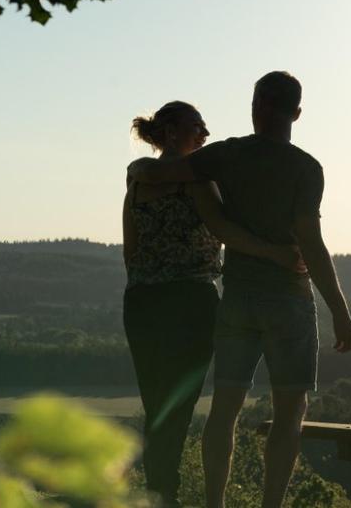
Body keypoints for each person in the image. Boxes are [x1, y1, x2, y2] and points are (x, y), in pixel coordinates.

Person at [128, 72, 351, 508]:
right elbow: (310, 241)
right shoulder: (306, 169)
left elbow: (157, 171)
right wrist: (340, 310)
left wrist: (136, 167)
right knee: (289, 416)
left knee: (224, 412)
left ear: (256, 106)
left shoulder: (227, 155)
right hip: (289, 300)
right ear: (297, 113)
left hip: (236, 299)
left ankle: (214, 503)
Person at [124, 100, 303, 507]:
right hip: (191, 302)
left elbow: (130, 249)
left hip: (142, 302)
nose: (204, 135)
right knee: (178, 407)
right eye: (197, 127)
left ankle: (159, 495)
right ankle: (163, 497)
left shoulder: (136, 182)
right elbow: (224, 230)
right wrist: (277, 254)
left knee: (156, 406)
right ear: (171, 132)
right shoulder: (199, 180)